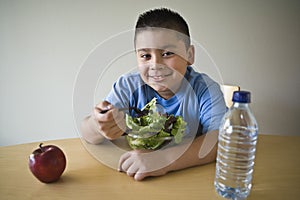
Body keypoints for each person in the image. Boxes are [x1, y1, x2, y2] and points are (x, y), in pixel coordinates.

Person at [81, 8, 226, 181]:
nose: (155, 64)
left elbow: (219, 141)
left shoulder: (205, 90)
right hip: (134, 179)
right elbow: (87, 133)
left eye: (167, 53)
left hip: (190, 178)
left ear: (189, 55)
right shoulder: (128, 85)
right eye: (145, 55)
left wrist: (164, 159)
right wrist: (99, 125)